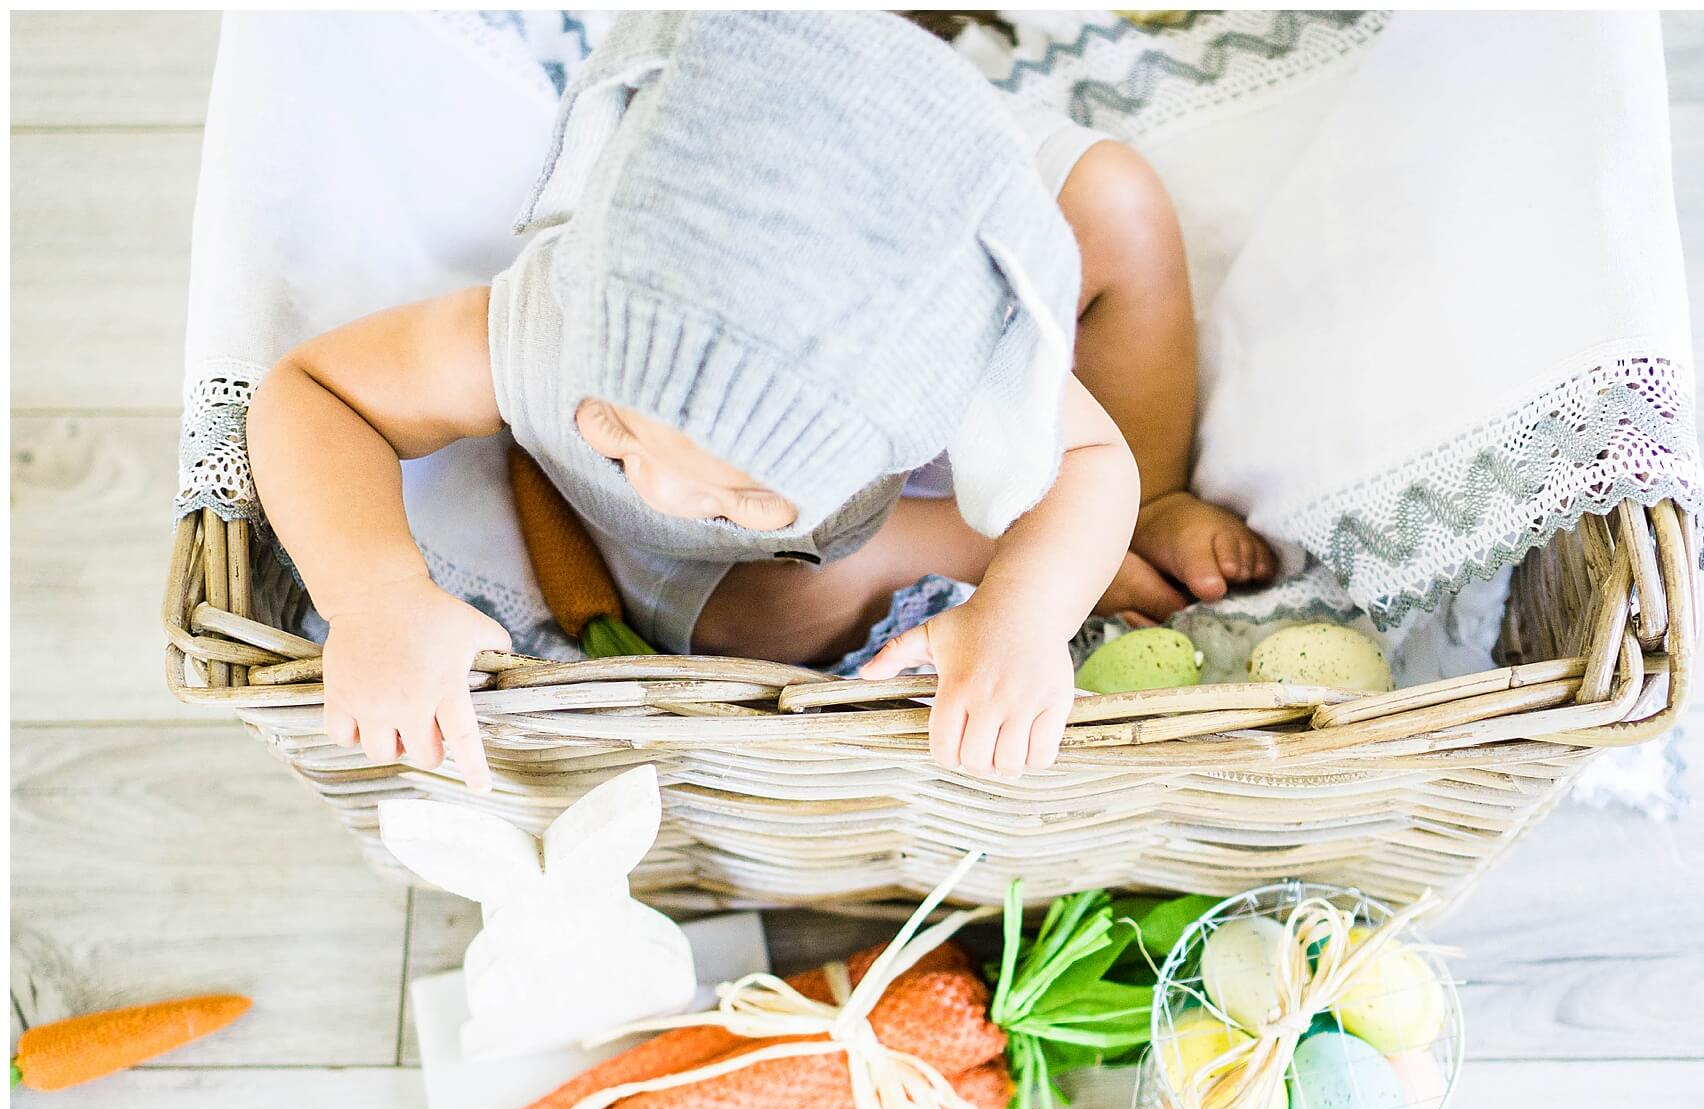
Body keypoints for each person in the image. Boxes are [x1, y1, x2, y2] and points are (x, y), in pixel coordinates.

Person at [247, 11, 1271, 789]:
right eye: (612, 440)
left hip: (900, 220)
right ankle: (1028, 555)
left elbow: (1092, 465)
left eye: (738, 495)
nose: (658, 486)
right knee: (779, 603)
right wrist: (374, 595)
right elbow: (314, 393)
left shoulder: (949, 357)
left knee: (1119, 206)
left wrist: (1021, 618)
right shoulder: (560, 329)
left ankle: (1154, 510)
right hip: (759, 567)